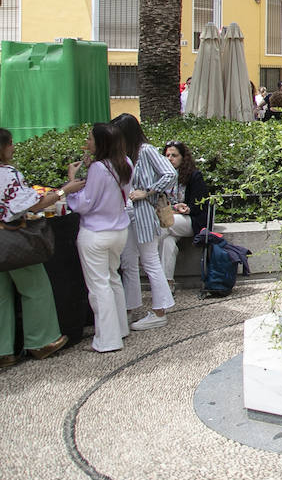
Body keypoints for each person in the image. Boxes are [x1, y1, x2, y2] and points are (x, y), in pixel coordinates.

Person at [0, 128, 74, 367]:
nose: (13, 147)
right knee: (35, 287)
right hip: (11, 241)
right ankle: (41, 341)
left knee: (1, 296)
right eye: (10, 143)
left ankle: (4, 351)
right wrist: (65, 189)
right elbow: (33, 205)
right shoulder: (8, 174)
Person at [65, 123, 133, 353]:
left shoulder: (98, 168)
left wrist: (70, 184)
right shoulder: (126, 163)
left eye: (90, 139)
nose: (88, 142)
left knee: (99, 285)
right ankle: (120, 329)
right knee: (112, 279)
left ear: (101, 143)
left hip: (95, 233)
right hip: (118, 231)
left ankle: (108, 339)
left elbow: (85, 203)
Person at [111, 113, 178, 330]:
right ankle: (131, 308)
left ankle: (160, 311)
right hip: (128, 214)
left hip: (143, 213)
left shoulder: (145, 151)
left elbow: (169, 174)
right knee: (129, 261)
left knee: (149, 260)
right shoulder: (127, 154)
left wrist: (147, 192)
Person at [159, 141, 211, 289]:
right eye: (167, 155)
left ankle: (144, 256)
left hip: (191, 220)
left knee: (163, 227)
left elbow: (201, 205)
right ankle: (167, 285)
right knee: (167, 243)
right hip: (172, 218)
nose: (170, 159)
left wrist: (187, 209)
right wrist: (174, 207)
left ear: (183, 158)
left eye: (174, 155)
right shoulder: (163, 178)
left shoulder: (194, 176)